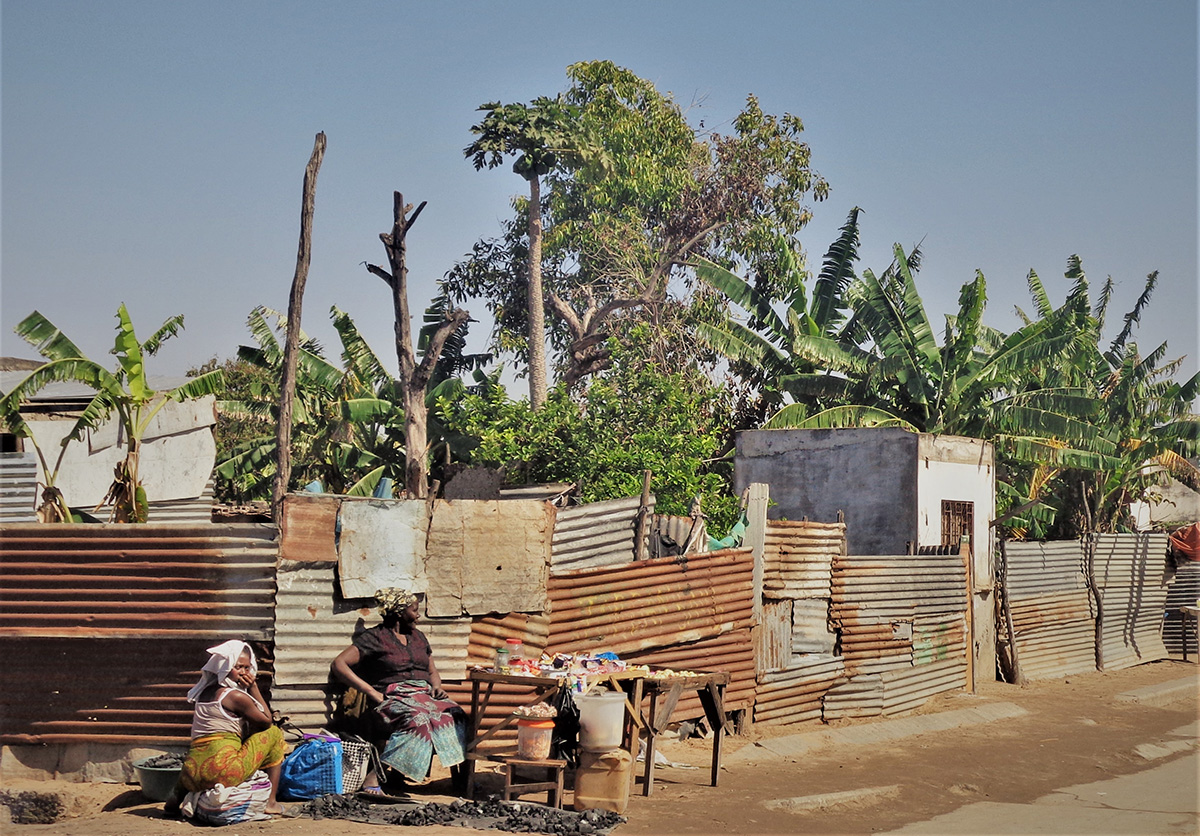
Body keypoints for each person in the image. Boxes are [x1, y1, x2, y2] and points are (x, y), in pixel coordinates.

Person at [330, 588, 467, 791]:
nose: (418, 615)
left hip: (425, 695)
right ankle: (375, 778)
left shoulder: (419, 637)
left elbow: (432, 670)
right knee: (417, 721)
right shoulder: (375, 638)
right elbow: (339, 664)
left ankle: (461, 781)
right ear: (398, 612)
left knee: (457, 715)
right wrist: (371, 692)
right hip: (392, 696)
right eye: (414, 610)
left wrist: (437, 687)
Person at [164, 640, 286, 816]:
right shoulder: (235, 696)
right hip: (224, 772)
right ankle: (271, 802)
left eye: (247, 667)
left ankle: (174, 801)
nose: (244, 672)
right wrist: (253, 687)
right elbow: (266, 721)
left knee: (198, 757)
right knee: (273, 733)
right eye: (238, 667)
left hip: (191, 775)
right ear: (224, 667)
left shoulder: (203, 694)